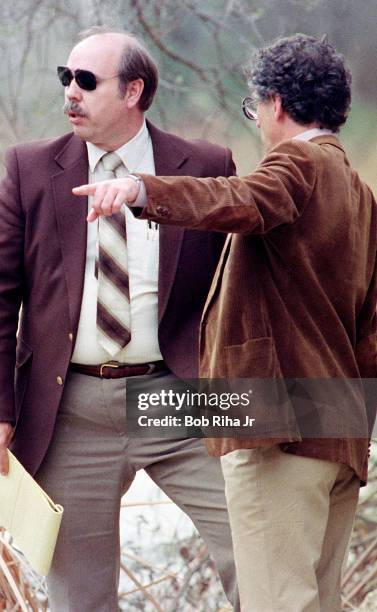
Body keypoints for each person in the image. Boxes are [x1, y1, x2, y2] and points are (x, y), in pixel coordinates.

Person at [73, 33, 377, 612]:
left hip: (278, 423)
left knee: (276, 603)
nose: (257, 121)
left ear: (277, 106)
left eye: (254, 107)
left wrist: (140, 189)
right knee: (317, 600)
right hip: (341, 425)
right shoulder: (358, 190)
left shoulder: (297, 163)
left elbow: (240, 199)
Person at [0, 27, 240, 611]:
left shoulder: (208, 164)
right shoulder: (29, 169)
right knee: (80, 596)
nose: (71, 92)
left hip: (180, 395)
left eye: (87, 81)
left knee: (253, 549)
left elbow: (239, 284)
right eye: (65, 78)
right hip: (72, 409)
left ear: (134, 90)